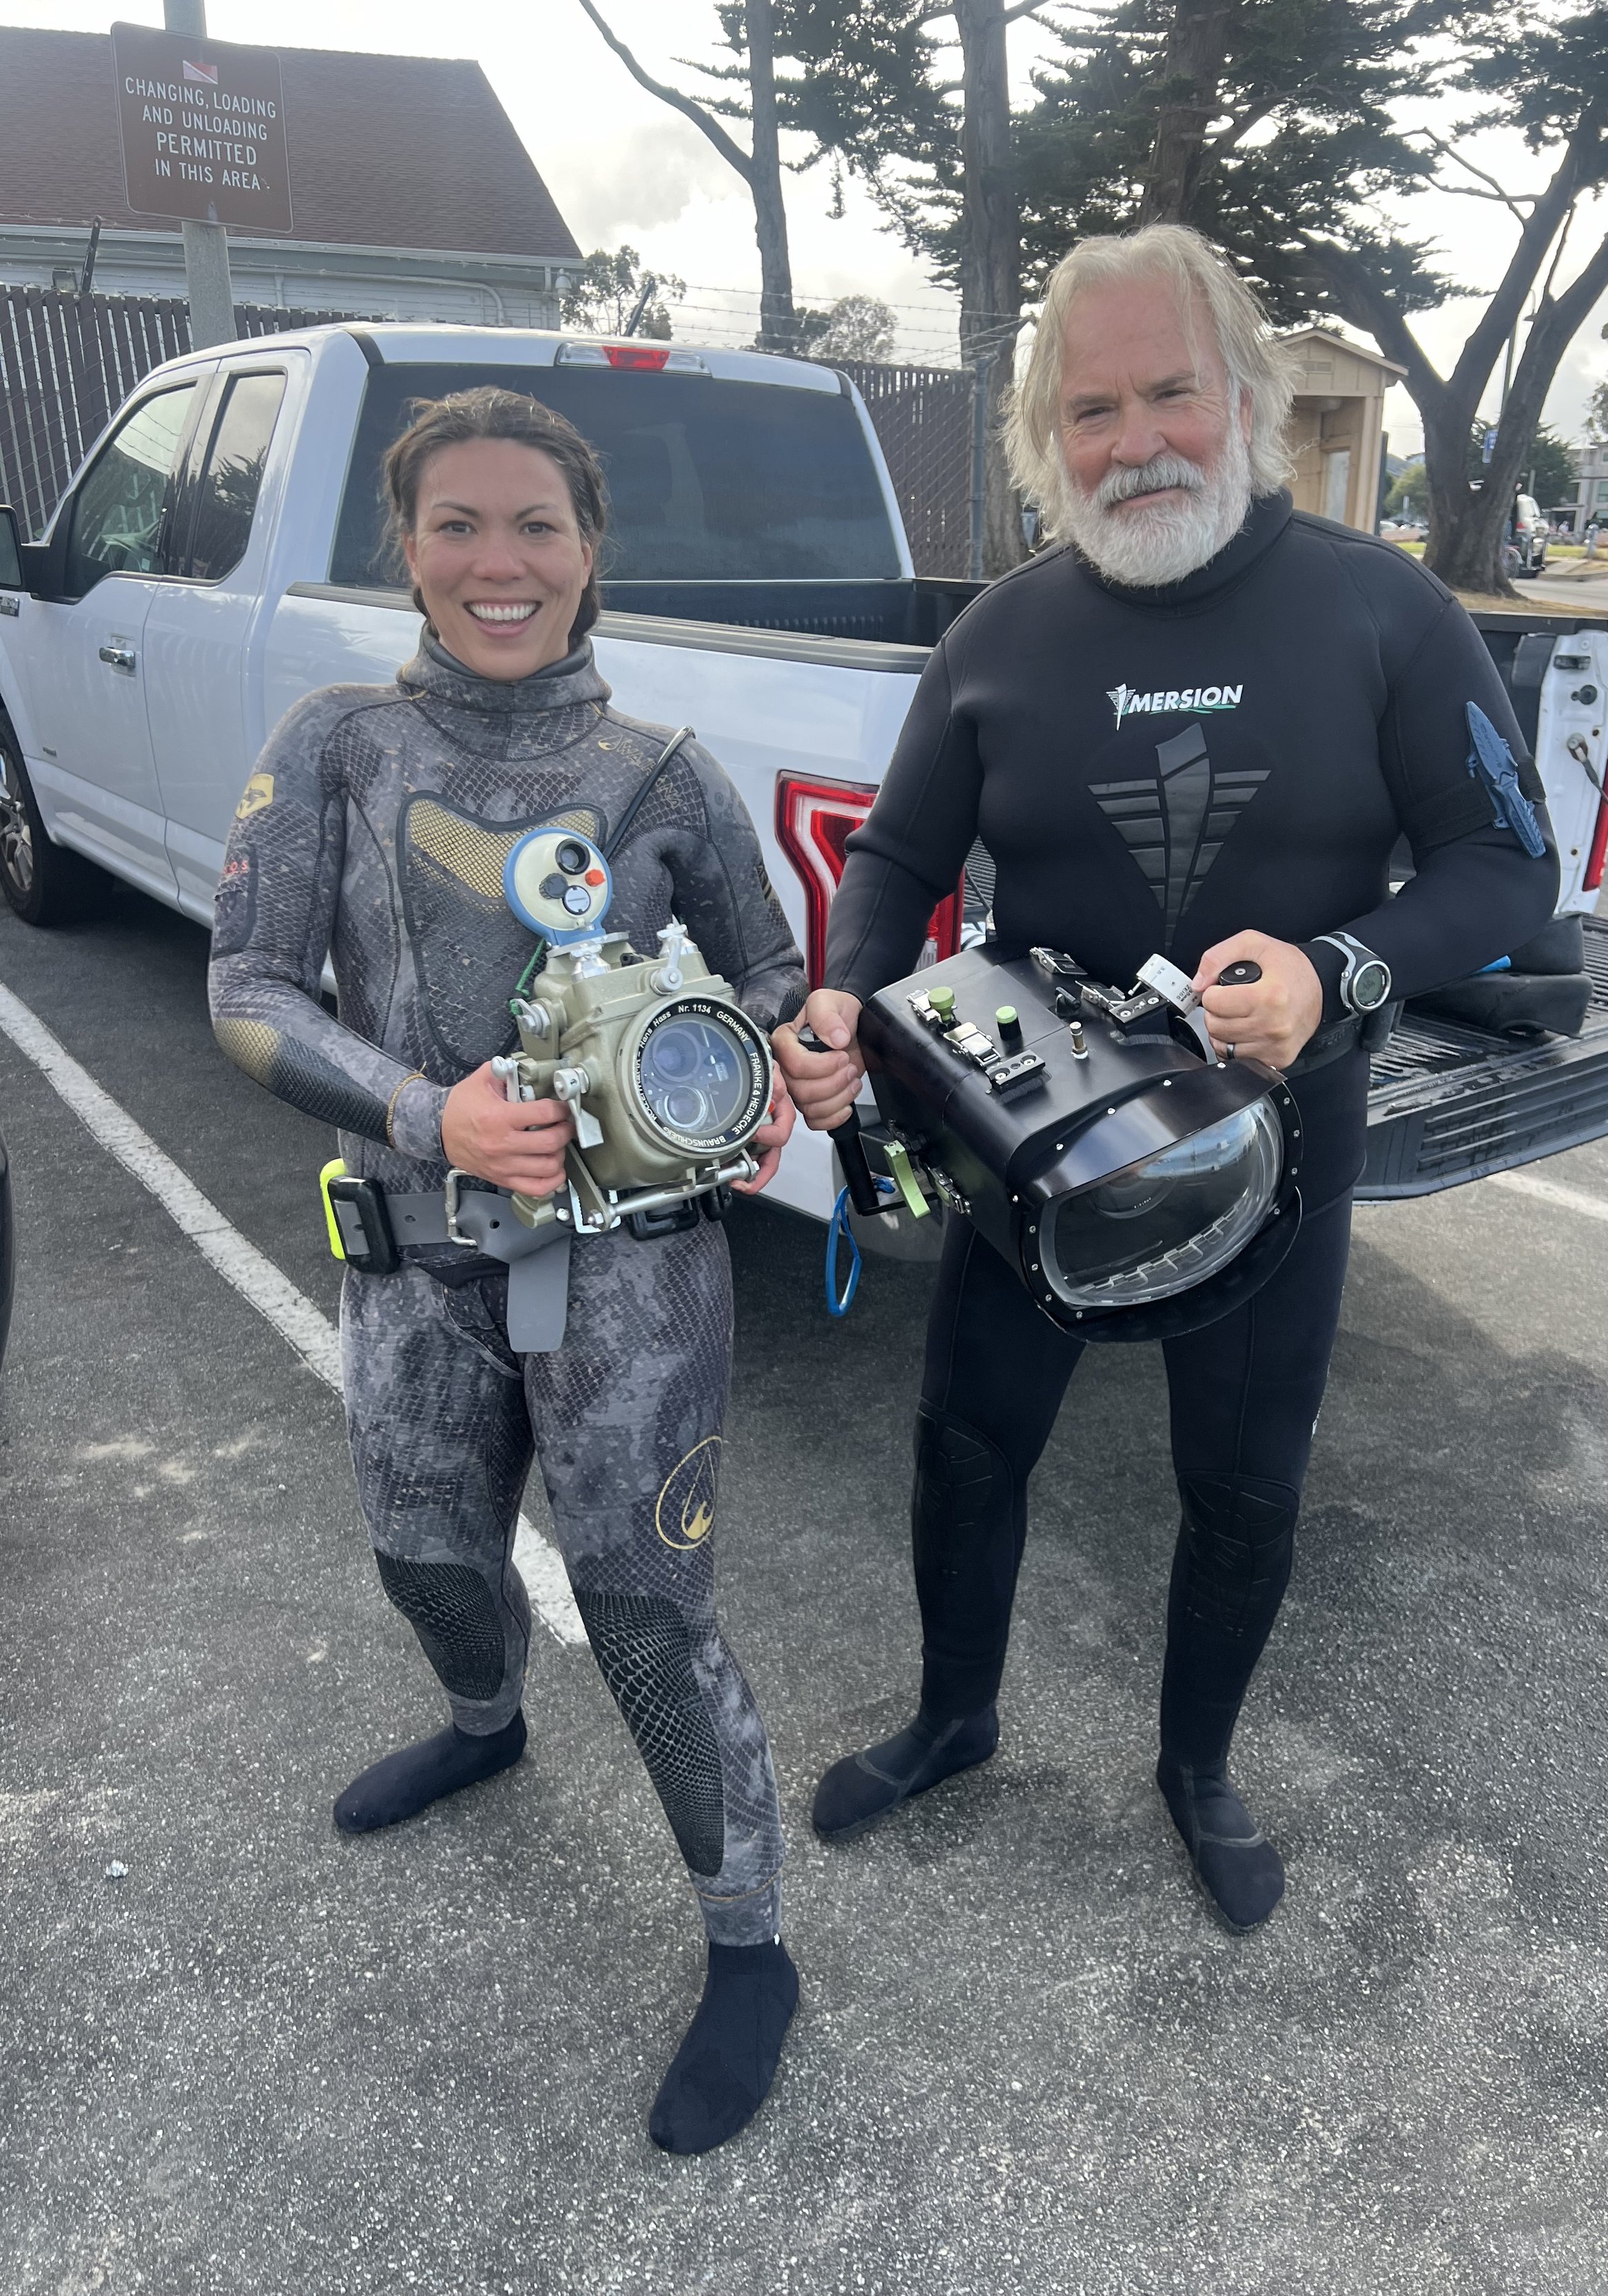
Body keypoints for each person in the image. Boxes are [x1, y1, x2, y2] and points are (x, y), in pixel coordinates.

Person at [775, 226, 1558, 1934]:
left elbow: (1507, 866)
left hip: (1274, 1156)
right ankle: (954, 1714)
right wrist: (841, 1005)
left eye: (1169, 395)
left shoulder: (1377, 606)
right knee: (967, 1449)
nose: (1133, 442)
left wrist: (1337, 968)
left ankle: (1195, 1768)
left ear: (1249, 398)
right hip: (1027, 1152)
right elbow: (896, 859)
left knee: (1243, 1482)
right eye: (1090, 410)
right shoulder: (999, 632)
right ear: (1045, 442)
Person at [209, 386, 803, 2151]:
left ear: (589, 550)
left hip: (635, 1278)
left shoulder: (667, 772)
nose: (497, 560)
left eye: (534, 525)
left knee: (642, 1616)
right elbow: (242, 987)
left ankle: (747, 1945)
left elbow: (771, 981)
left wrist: (757, 1077)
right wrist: (424, 1109)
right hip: (408, 1259)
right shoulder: (334, 743)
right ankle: (482, 1718)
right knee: (427, 1555)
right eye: (456, 522)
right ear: (405, 545)